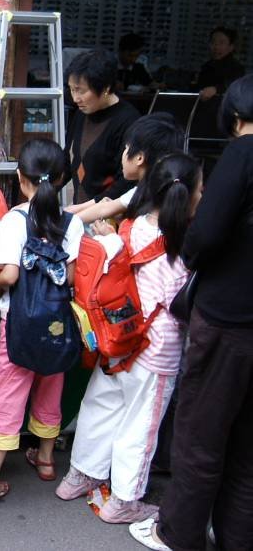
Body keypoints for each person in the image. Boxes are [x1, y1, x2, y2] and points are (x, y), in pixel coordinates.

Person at [129, 74, 253, 551]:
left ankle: (179, 533)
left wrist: (194, 252)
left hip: (226, 321)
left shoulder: (243, 152)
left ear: (235, 117)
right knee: (245, 446)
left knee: (202, 435)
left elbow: (206, 236)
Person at [57, 153, 201, 523]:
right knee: (141, 425)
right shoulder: (186, 247)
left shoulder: (131, 227)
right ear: (190, 196)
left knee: (100, 406)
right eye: (202, 188)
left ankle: (79, 475)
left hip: (117, 338)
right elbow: (179, 303)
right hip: (157, 350)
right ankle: (124, 500)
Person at [0, 139, 84, 510]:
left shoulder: (14, 219)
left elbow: (8, 273)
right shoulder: (72, 223)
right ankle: (45, 460)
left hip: (18, 324)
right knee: (50, 388)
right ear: (60, 180)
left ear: (21, 179)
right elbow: (71, 277)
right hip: (56, 325)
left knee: (6, 397)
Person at [68, 113, 184, 224]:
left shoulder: (147, 190)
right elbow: (105, 207)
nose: (123, 154)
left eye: (126, 148)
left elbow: (104, 209)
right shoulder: (154, 187)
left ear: (139, 158)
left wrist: (68, 222)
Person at [65, 49, 141, 204]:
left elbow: (126, 181)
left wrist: (87, 209)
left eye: (81, 91)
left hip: (108, 216)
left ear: (106, 88)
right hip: (81, 210)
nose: (75, 98)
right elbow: (67, 160)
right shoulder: (82, 112)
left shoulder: (129, 121)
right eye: (72, 89)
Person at [195, 27, 245, 102]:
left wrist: (216, 89)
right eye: (213, 42)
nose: (216, 47)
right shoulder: (206, 66)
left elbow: (234, 85)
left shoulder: (236, 68)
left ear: (231, 47)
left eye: (221, 43)